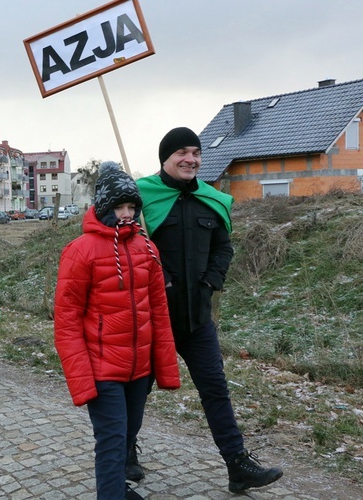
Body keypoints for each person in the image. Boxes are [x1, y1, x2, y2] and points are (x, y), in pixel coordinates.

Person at [135, 127, 283, 493]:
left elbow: (223, 249)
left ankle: (238, 466)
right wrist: (159, 278)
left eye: (196, 152)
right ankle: (123, 454)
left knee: (215, 389)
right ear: (165, 158)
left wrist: (210, 281)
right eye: (182, 152)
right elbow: (127, 248)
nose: (191, 159)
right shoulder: (141, 199)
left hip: (198, 318)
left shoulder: (211, 200)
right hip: (155, 319)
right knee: (137, 389)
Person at [54, 168, 180, 500]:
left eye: (131, 207)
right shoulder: (80, 251)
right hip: (102, 369)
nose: (126, 214)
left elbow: (159, 314)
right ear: (104, 207)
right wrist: (82, 380)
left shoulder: (147, 250)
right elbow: (66, 323)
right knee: (111, 439)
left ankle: (118, 490)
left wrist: (164, 368)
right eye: (119, 207)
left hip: (139, 369)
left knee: (127, 435)